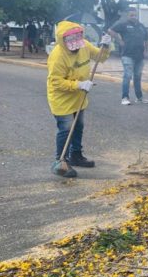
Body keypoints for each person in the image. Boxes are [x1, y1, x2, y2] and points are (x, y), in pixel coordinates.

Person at [47, 21, 111, 178]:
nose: (75, 46)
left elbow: (100, 57)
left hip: (79, 96)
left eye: (78, 40)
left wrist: (106, 46)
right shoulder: (57, 56)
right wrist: (79, 84)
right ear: (64, 41)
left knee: (78, 126)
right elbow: (56, 81)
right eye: (71, 43)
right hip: (62, 98)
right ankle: (61, 161)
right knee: (66, 129)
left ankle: (75, 155)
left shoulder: (84, 45)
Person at [108, 7, 148, 105]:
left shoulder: (141, 26)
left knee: (137, 77)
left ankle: (139, 98)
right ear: (128, 16)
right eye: (131, 15)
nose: (134, 17)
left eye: (135, 15)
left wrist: (147, 51)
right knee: (127, 75)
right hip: (127, 54)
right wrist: (119, 41)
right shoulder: (123, 24)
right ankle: (125, 98)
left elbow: (147, 39)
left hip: (140, 56)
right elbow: (111, 31)